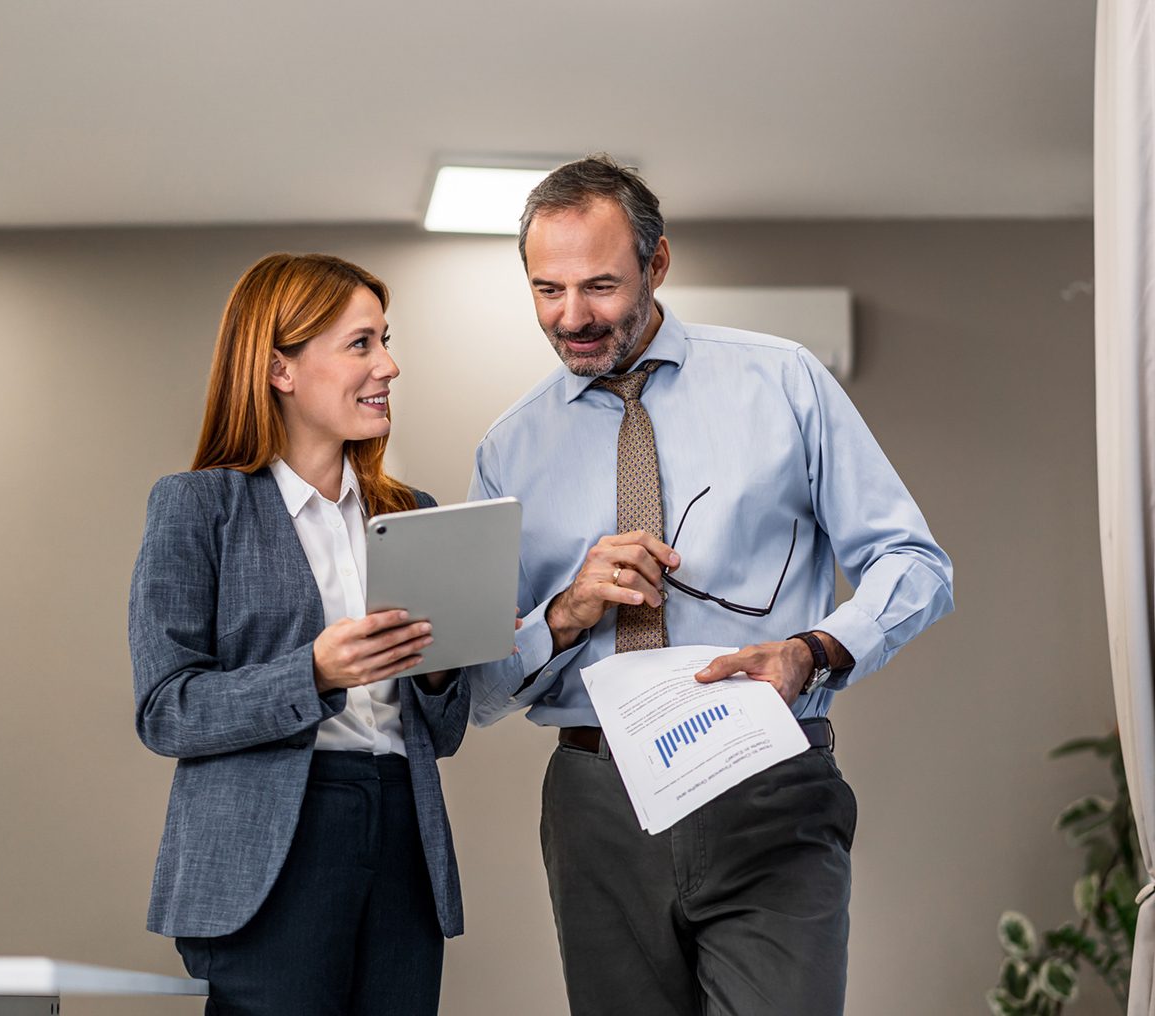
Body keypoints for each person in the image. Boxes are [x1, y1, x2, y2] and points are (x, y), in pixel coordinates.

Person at [465, 156, 954, 1016]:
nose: (571, 317)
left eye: (600, 286)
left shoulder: (785, 381)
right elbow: (478, 688)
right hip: (596, 805)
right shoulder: (508, 449)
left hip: (767, 777)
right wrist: (567, 611)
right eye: (547, 290)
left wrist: (814, 650)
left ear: (658, 265)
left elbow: (914, 564)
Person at [129, 252, 469, 1016]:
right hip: (275, 848)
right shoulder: (198, 507)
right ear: (280, 369)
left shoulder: (412, 512)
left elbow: (440, 733)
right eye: (361, 344)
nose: (389, 365)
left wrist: (447, 663)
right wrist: (312, 672)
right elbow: (166, 710)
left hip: (402, 832)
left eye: (386, 340)